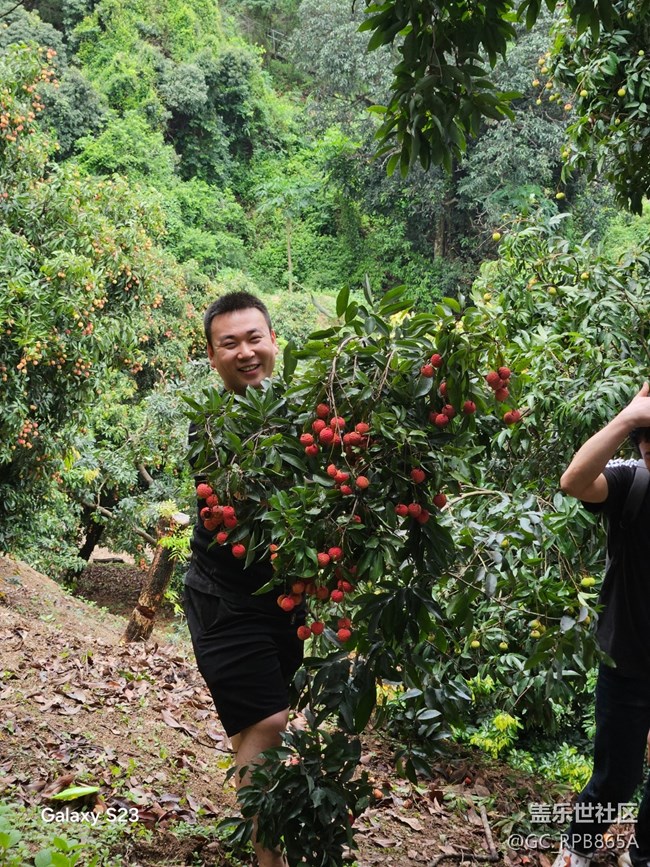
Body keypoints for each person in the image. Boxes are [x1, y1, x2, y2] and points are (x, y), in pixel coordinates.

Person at [183, 291, 304, 867]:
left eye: (254, 338)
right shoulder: (211, 432)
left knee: (255, 728)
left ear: (273, 340)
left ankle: (260, 827)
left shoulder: (311, 411)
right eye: (229, 343)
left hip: (286, 600)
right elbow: (239, 523)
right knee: (270, 719)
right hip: (225, 600)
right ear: (212, 357)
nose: (245, 351)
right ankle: (267, 857)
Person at [556, 382, 650, 867]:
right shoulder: (631, 482)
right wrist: (629, 416)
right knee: (616, 775)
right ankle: (578, 849)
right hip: (628, 658)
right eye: (647, 442)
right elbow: (573, 482)